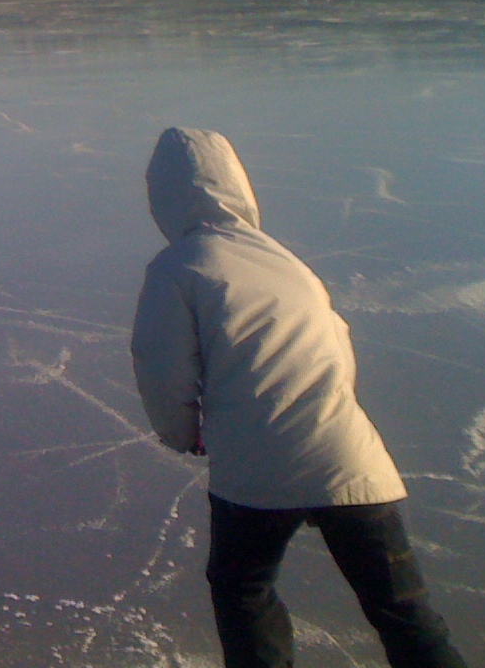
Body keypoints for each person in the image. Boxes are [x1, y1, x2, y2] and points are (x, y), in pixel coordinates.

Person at [130, 127, 467, 668]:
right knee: (402, 611)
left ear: (163, 197)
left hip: (256, 469)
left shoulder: (180, 267)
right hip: (348, 456)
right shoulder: (285, 262)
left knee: (243, 591)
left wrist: (178, 432)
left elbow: (161, 366)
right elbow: (336, 347)